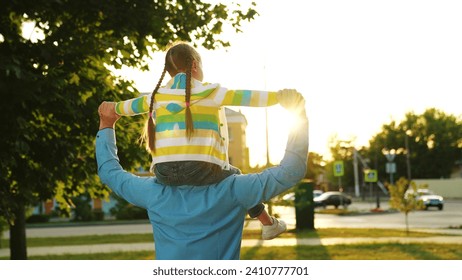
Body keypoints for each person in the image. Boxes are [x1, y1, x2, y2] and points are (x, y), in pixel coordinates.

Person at [106, 42, 293, 239]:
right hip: (201, 170)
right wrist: (280, 97)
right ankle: (268, 223)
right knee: (235, 177)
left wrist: (110, 108)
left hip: (164, 173)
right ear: (194, 65)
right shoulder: (211, 92)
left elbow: (123, 108)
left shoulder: (154, 97)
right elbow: (248, 97)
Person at [96, 90, 308, 260]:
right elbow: (291, 170)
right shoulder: (234, 189)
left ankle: (268, 222)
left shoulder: (154, 193)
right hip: (231, 186)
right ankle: (268, 222)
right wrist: (298, 114)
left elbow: (109, 172)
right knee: (232, 173)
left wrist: (107, 125)